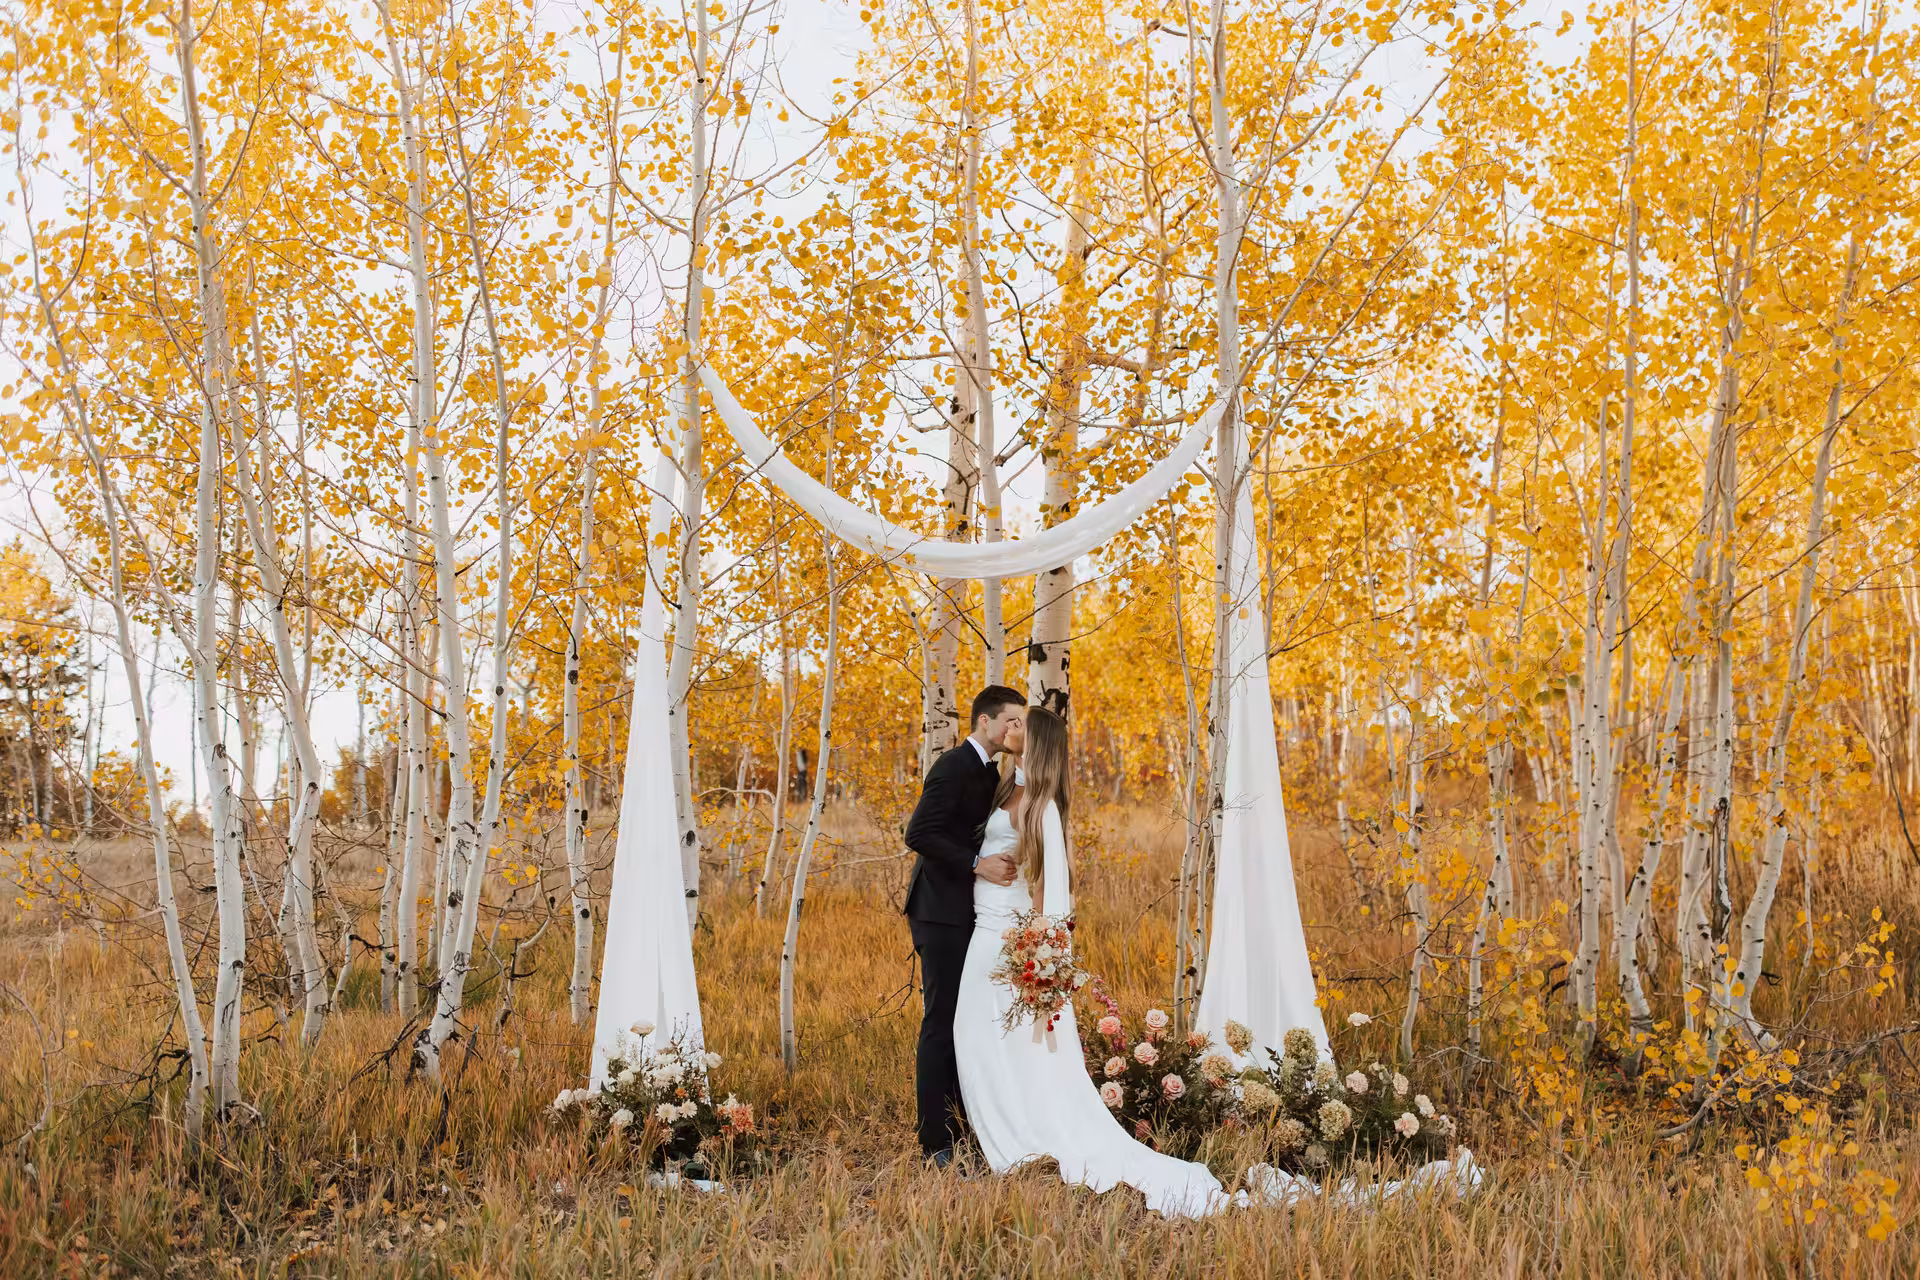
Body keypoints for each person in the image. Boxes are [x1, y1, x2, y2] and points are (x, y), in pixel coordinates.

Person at [952, 705, 1239, 1217]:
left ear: (1038, 743)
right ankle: (1005, 1128)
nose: (1011, 728)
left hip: (1006, 936)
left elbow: (1048, 882)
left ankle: (1021, 1137)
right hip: (984, 927)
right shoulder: (1007, 787)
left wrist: (1039, 952)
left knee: (987, 1037)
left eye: (1020, 725)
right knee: (976, 1036)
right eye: (1010, 722)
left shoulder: (1041, 805)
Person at [902, 685, 1025, 1167]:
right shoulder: (953, 765)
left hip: (968, 912)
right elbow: (919, 833)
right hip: (938, 912)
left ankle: (961, 1125)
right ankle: (934, 1141)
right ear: (985, 721)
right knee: (941, 1021)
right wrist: (977, 863)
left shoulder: (991, 771)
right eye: (1011, 720)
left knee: (963, 1020)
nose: (1016, 728)